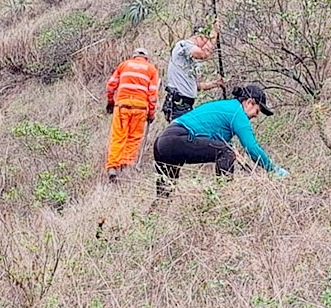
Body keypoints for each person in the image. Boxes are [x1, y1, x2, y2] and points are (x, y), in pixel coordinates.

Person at [153, 84, 288, 196]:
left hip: (162, 142)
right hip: (177, 138)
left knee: (164, 195)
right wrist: (273, 169)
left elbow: (213, 137)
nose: (256, 116)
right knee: (226, 152)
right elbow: (252, 148)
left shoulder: (226, 106)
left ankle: (155, 216)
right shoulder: (237, 112)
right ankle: (225, 197)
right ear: (249, 102)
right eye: (257, 111)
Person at [104, 48, 160, 181]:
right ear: (146, 58)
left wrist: (110, 102)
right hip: (140, 108)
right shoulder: (151, 70)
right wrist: (151, 113)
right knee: (134, 138)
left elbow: (111, 85)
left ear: (134, 56)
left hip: (122, 105)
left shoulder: (124, 65)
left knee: (118, 136)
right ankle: (126, 164)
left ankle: (113, 166)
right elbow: (153, 95)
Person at [162, 26, 225, 122]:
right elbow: (204, 54)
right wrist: (214, 34)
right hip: (178, 103)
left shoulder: (191, 63)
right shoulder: (183, 45)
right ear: (199, 36)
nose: (205, 45)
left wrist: (216, 83)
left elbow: (197, 86)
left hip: (186, 105)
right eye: (205, 40)